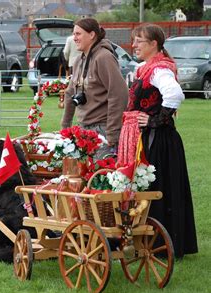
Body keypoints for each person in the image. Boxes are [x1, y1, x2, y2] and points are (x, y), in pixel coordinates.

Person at [127, 23, 198, 258]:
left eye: (139, 41)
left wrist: (155, 121)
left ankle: (161, 243)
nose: (134, 45)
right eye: (134, 40)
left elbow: (175, 94)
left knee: (158, 188)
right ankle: (152, 240)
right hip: (149, 137)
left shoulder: (160, 69)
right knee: (149, 187)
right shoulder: (144, 68)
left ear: (154, 44)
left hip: (160, 139)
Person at [61, 18, 128, 159]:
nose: (74, 38)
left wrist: (112, 132)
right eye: (74, 34)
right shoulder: (80, 59)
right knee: (83, 176)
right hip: (83, 129)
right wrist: (65, 127)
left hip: (102, 130)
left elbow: (118, 94)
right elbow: (70, 93)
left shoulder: (104, 57)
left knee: (99, 177)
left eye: (78, 34)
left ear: (92, 35)